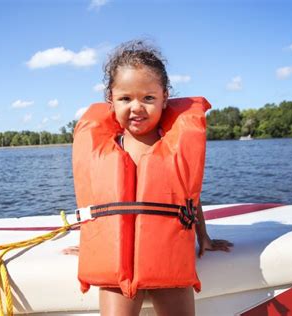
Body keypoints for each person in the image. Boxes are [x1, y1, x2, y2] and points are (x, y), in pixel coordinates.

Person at [64, 40, 233, 316]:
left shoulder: (175, 147)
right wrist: (90, 244)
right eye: (125, 98)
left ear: (165, 97)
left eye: (148, 98)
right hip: (117, 271)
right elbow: (98, 205)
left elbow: (188, 198)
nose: (137, 108)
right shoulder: (105, 151)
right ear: (111, 99)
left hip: (168, 260)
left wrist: (205, 237)